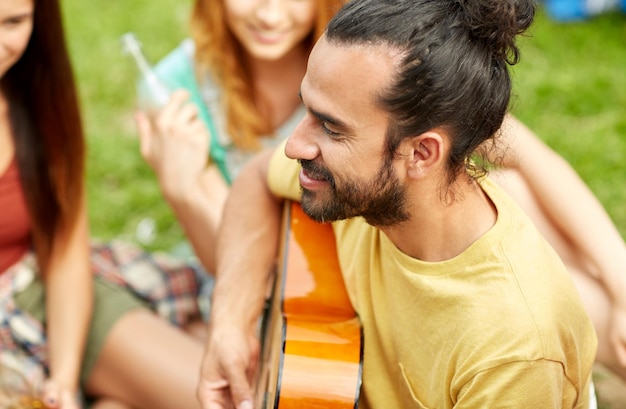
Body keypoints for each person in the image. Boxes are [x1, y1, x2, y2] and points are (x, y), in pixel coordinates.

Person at [196, 0, 599, 407]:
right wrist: (231, 321)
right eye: (306, 109)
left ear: (421, 154)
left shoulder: (513, 350)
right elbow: (255, 180)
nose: (295, 145)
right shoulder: (355, 187)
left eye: (331, 128)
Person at [0, 1, 210, 408]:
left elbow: (63, 248)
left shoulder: (35, 95)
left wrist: (63, 378)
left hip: (38, 288)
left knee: (220, 393)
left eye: (12, 22)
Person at [135, 0, 347, 274]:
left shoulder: (359, 69)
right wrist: (182, 191)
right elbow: (232, 271)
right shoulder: (173, 91)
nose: (270, 16)